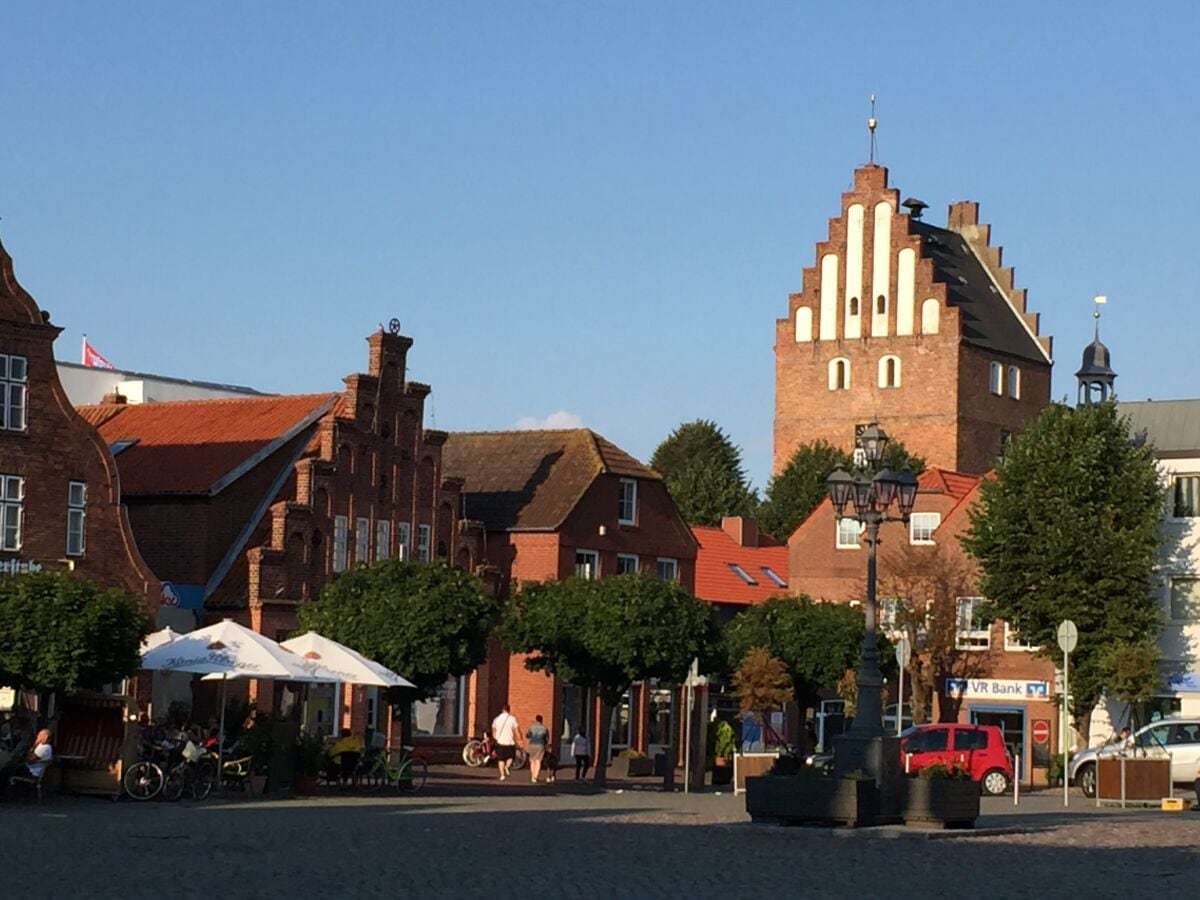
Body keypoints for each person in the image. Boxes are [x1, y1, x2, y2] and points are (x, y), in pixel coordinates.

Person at [491, 705, 520, 782]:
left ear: (502, 710)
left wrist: (496, 737)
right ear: (509, 710)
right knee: (510, 757)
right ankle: (507, 766)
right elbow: (516, 730)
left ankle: (502, 775)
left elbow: (494, 730)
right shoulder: (512, 719)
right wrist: (520, 739)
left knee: (500, 759)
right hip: (509, 741)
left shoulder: (496, 719)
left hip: (500, 742)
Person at [525, 714, 549, 783]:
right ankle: (535, 777)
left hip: (532, 745)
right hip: (540, 745)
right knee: (538, 761)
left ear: (536, 720)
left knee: (532, 761)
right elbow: (547, 739)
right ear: (541, 720)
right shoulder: (544, 728)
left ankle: (532, 776)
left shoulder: (531, 727)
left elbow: (527, 735)